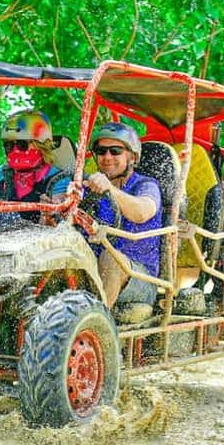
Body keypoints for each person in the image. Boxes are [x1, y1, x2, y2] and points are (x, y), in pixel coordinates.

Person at [84, 122, 162, 309]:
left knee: (111, 258)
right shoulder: (91, 187)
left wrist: (110, 189)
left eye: (115, 151)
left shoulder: (146, 185)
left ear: (132, 157)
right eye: (101, 151)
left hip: (139, 279)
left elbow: (142, 212)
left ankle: (96, 327)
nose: (107, 157)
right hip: (94, 269)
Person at [0, 109, 70, 222]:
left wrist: (48, 213)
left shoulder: (58, 179)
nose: (14, 150)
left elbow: (57, 225)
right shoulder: (0, 174)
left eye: (21, 144)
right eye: (9, 145)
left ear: (40, 145)